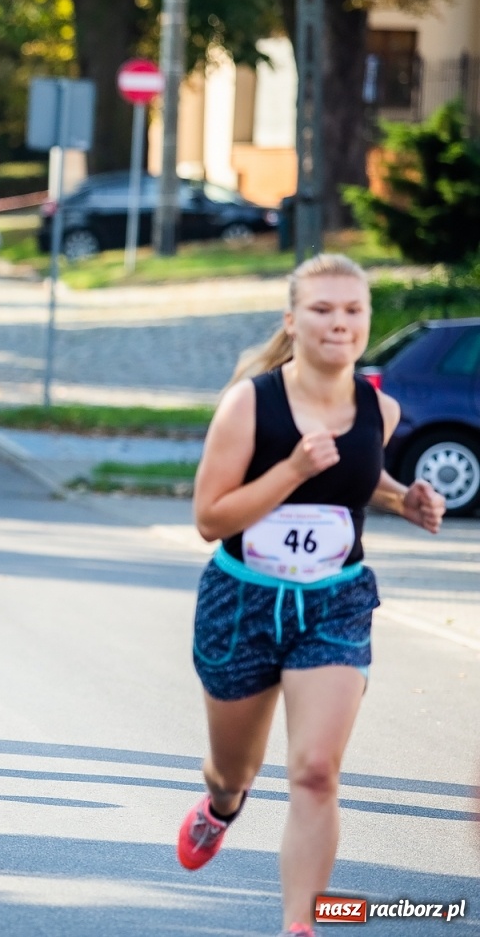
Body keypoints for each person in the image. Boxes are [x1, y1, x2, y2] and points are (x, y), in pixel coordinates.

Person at [176, 254, 445, 937]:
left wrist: (401, 497)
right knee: (232, 767)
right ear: (294, 322)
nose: (340, 323)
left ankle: (301, 925)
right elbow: (211, 517)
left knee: (317, 772)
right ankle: (221, 805)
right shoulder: (252, 404)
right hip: (242, 601)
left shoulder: (378, 409)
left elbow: (356, 470)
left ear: (366, 322)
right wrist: (292, 469)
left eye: (353, 310)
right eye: (323, 310)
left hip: (335, 601)